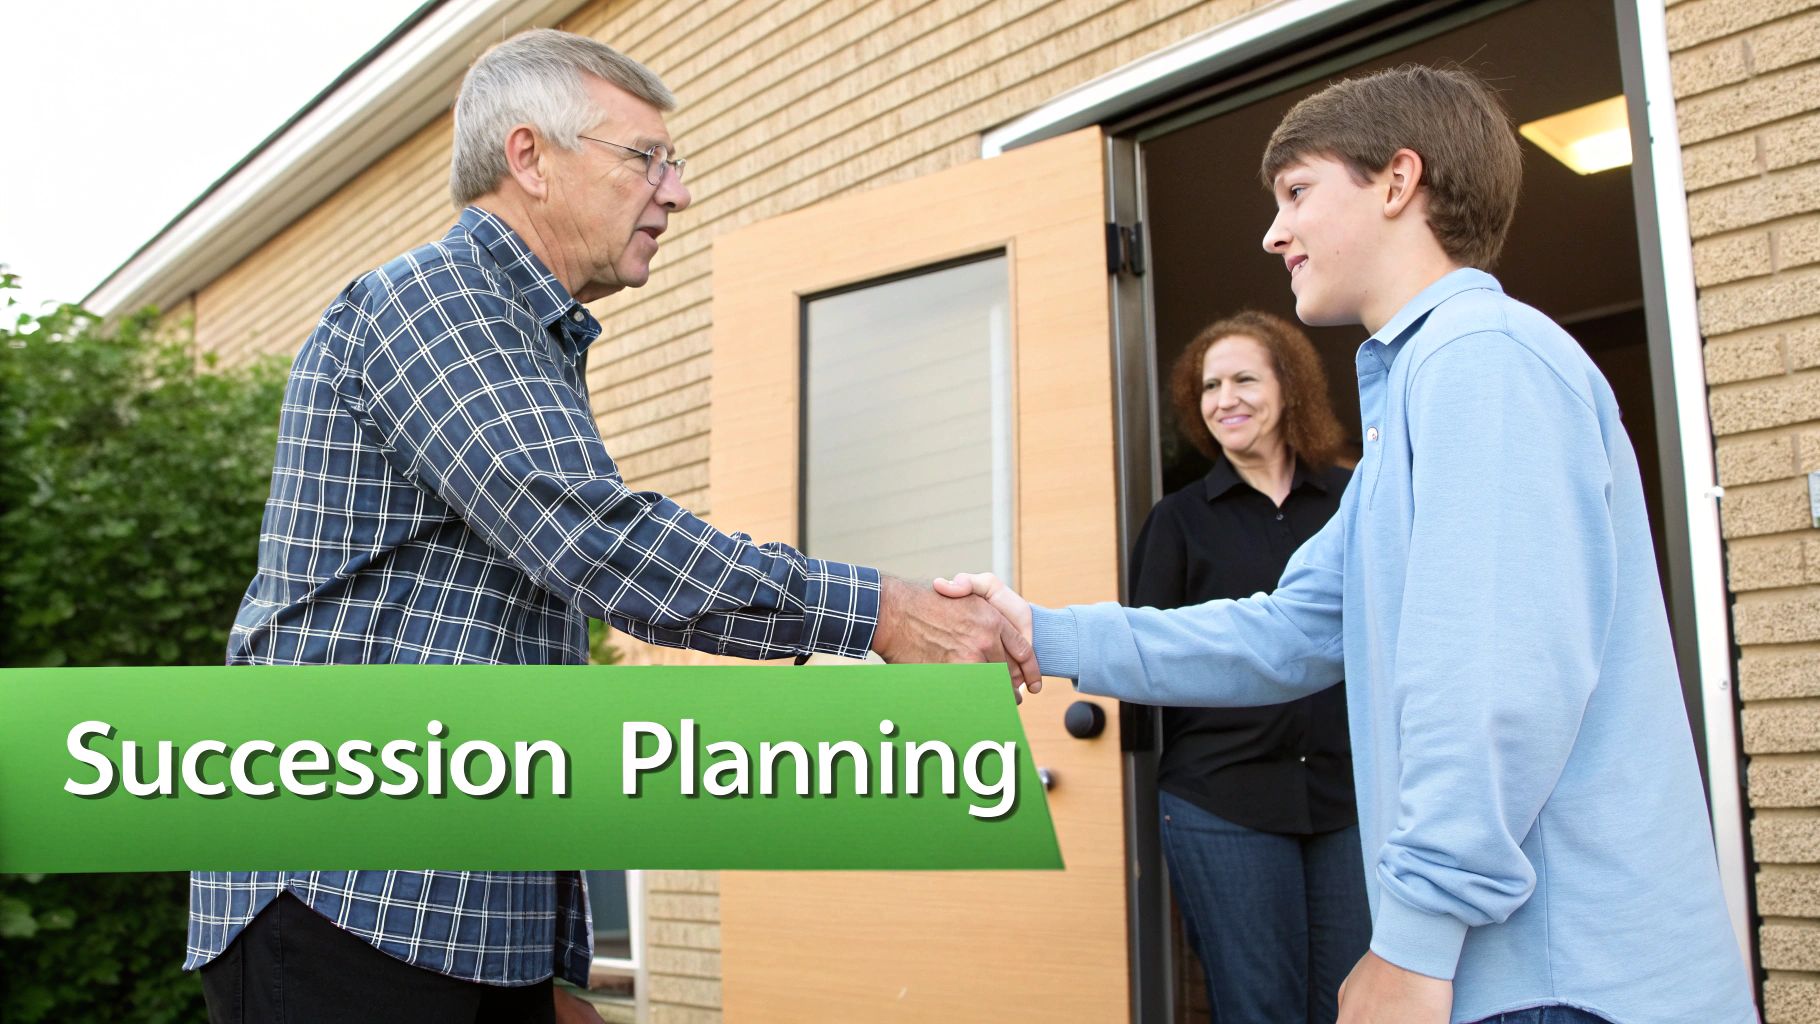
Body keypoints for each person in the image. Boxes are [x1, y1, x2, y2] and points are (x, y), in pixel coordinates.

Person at [191, 29, 1035, 1024]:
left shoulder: (524, 338)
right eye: (645, 158)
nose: (674, 193)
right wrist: (887, 614)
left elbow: (493, 667)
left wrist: (532, 966)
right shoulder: (436, 300)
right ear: (528, 158)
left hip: (449, 918)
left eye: (672, 165)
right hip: (346, 895)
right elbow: (604, 543)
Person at [939, 65, 1759, 1024]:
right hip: (1505, 974)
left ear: (1398, 182)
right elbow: (1285, 634)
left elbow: (1493, 682)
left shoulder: (1483, 362)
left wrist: (1412, 941)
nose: (1272, 232)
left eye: (1296, 193)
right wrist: (1045, 632)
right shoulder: (1418, 399)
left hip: (1558, 977)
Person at [1137, 310, 1366, 1023]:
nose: (1224, 399)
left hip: (1349, 799)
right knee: (1258, 1010)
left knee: (1351, 1006)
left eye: (1243, 379)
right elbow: (1150, 657)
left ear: (1289, 387)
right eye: (1209, 386)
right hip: (1222, 801)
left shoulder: (1351, 499)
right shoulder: (1178, 521)